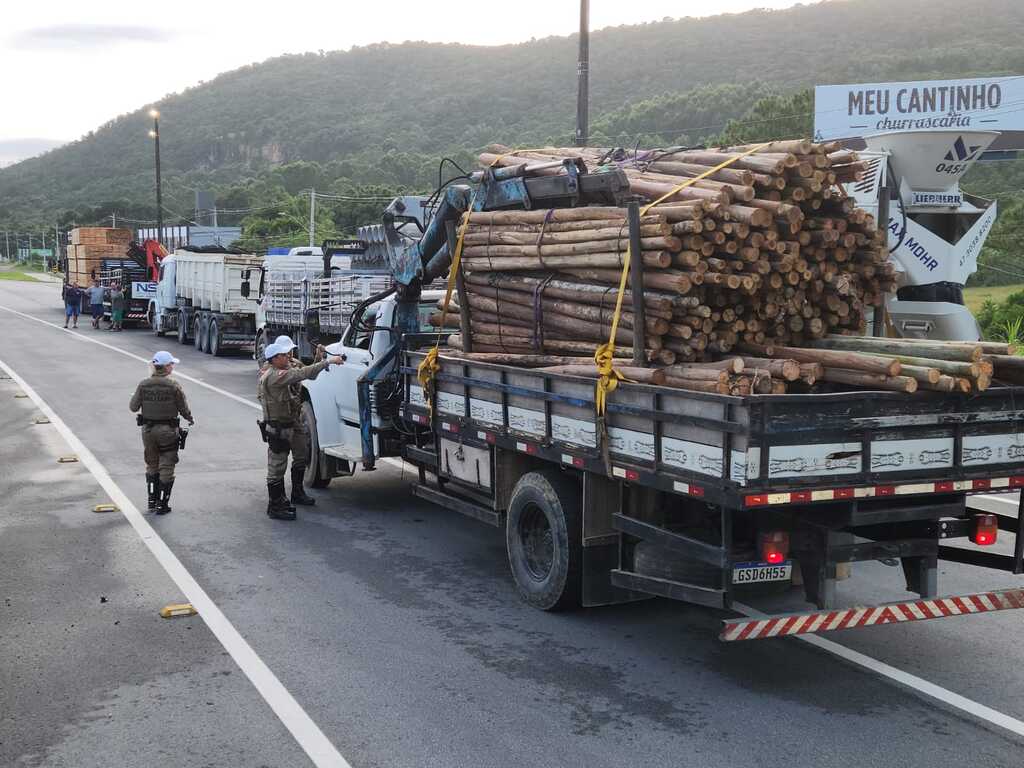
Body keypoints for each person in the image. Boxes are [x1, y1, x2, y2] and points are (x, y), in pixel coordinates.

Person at [258, 340, 342, 520]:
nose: (287, 356)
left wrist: (319, 359)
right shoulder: (275, 375)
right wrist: (328, 362)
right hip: (278, 427)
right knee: (277, 466)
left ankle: (288, 497)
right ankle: (275, 505)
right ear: (274, 359)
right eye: (283, 355)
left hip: (289, 422)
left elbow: (304, 372)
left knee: (299, 455)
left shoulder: (282, 369)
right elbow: (303, 373)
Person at [129, 351, 194, 514]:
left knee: (152, 464)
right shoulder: (173, 385)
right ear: (165, 367)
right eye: (171, 364)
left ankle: (151, 500)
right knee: (167, 465)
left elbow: (133, 407)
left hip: (148, 431)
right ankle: (162, 504)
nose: (172, 367)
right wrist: (190, 418)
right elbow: (183, 407)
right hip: (167, 430)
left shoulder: (143, 384)